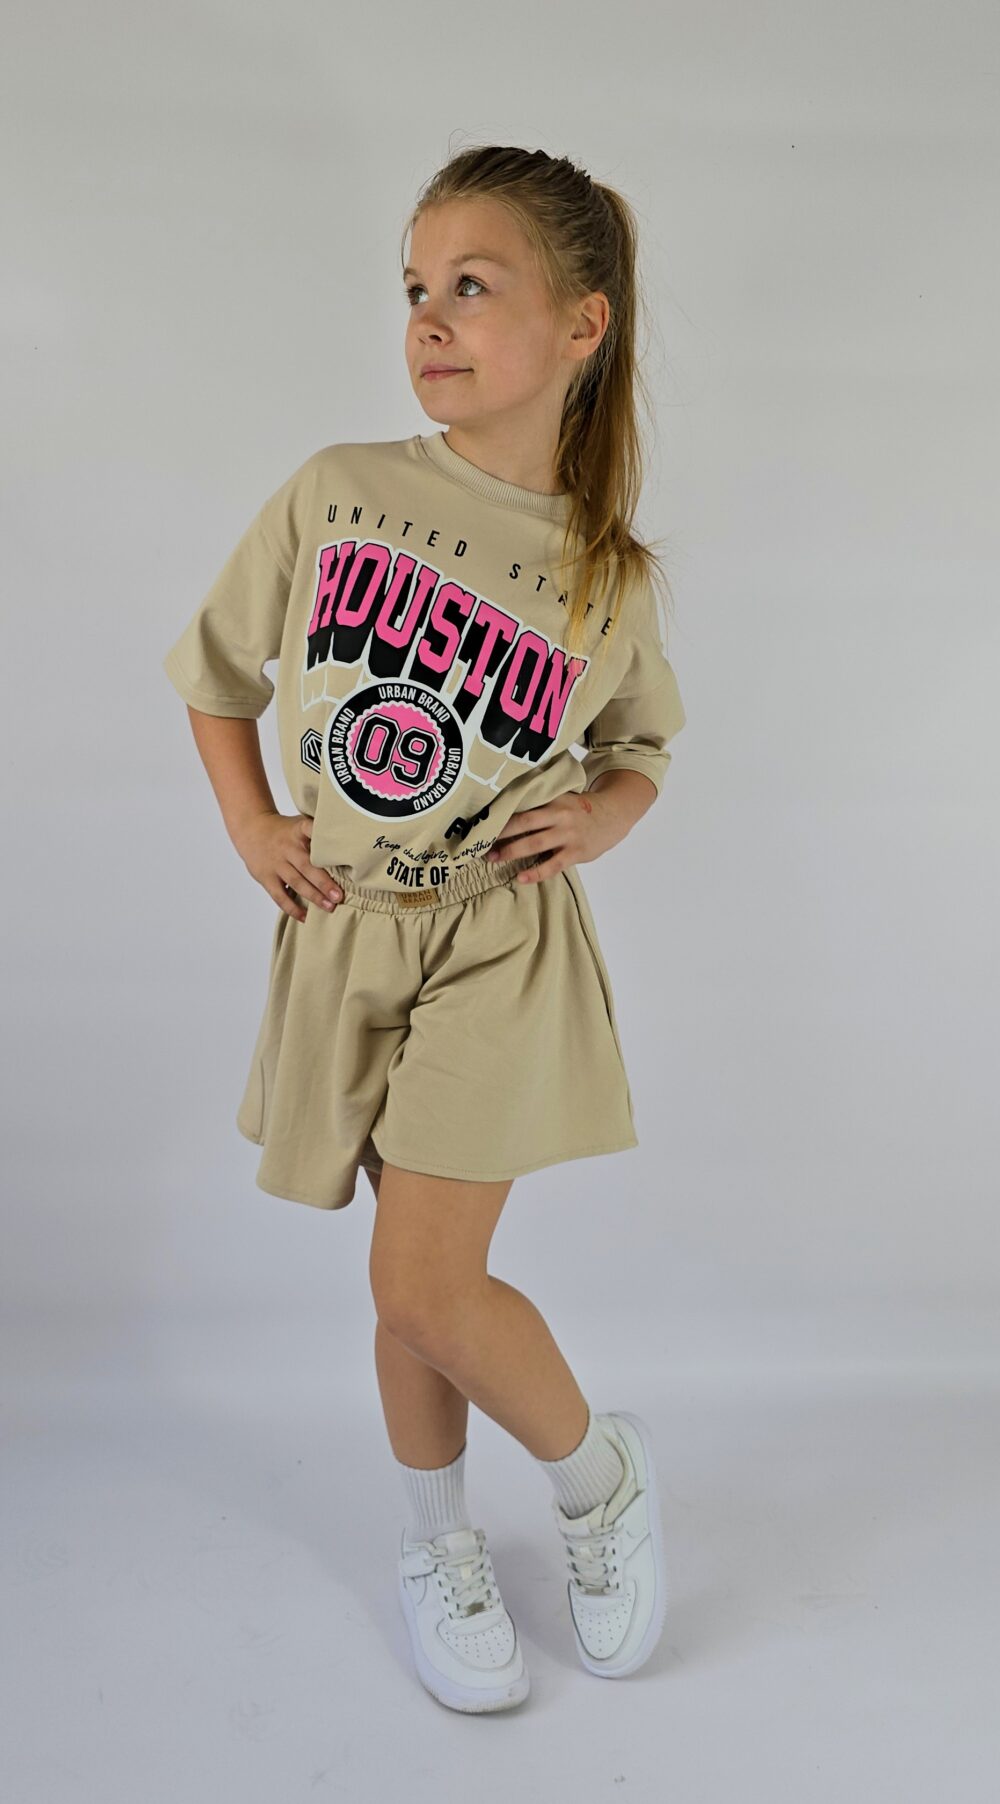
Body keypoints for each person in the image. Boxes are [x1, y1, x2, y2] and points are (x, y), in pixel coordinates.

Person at [163, 144, 686, 1712]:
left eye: (472, 285)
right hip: (347, 932)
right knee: (412, 1281)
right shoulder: (339, 489)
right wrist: (252, 823)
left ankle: (598, 1481)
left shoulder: (605, 574)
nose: (429, 319)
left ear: (581, 324)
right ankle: (437, 1540)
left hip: (497, 948)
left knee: (423, 1285)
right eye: (413, 289)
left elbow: (643, 746)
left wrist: (603, 815)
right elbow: (213, 673)